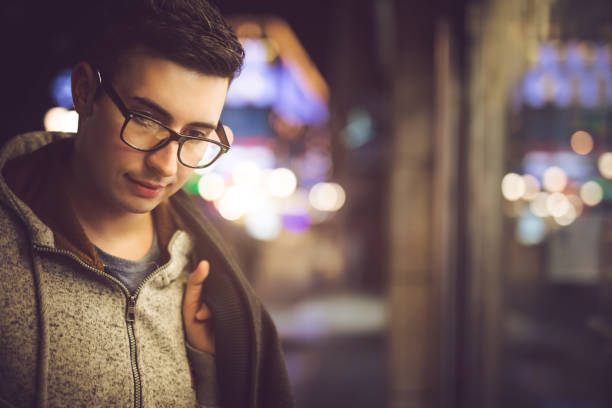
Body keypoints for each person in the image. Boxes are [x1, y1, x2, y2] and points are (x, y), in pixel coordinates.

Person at [0, 1, 294, 407]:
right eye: (146, 119)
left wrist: (206, 369)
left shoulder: (209, 272)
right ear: (85, 92)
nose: (165, 165)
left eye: (195, 134)